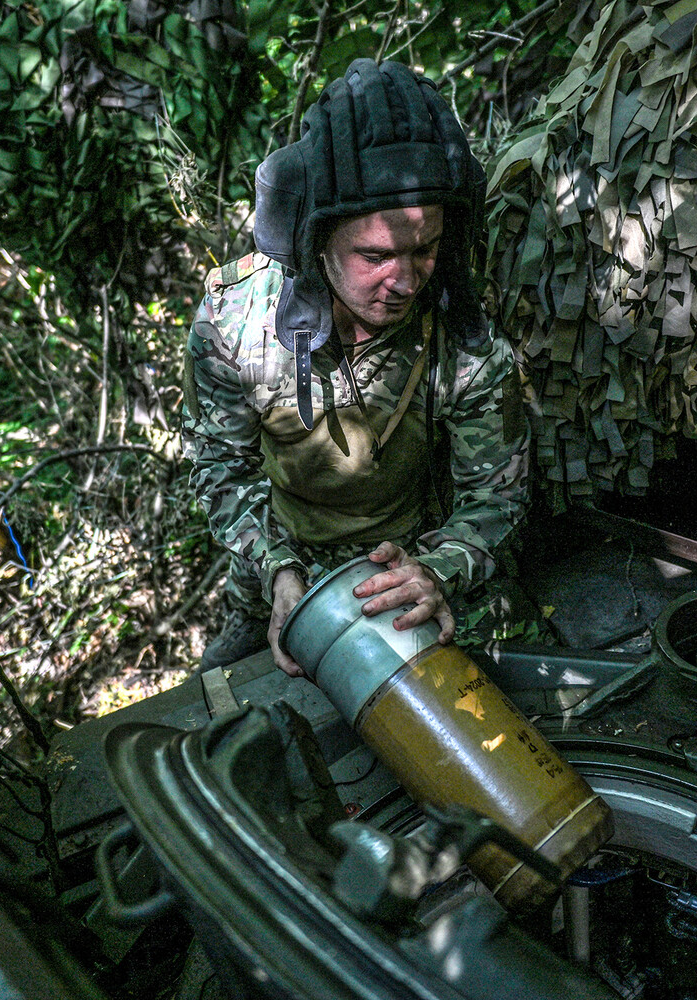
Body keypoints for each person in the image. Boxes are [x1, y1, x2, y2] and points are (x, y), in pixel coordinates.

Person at [183, 59, 529, 676]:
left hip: (403, 559)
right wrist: (276, 569)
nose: (404, 282)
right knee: (218, 693)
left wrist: (439, 568)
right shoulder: (236, 322)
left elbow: (497, 495)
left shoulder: (462, 341)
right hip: (276, 560)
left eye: (424, 250)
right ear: (317, 242)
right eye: (374, 256)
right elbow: (220, 465)